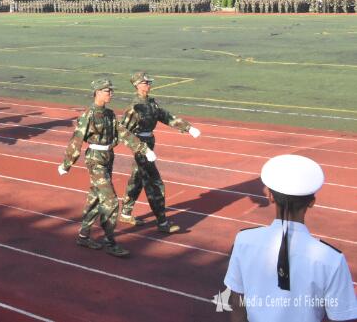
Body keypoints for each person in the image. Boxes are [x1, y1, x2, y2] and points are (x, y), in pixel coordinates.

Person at [223, 154, 357, 321]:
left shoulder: (244, 241)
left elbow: (237, 302)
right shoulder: (331, 259)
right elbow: (341, 316)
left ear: (270, 196)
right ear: (312, 202)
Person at [57, 79, 155, 258]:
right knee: (110, 201)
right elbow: (76, 140)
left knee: (95, 197)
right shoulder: (88, 115)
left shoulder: (109, 114)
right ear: (97, 92)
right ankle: (110, 242)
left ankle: (84, 236)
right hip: (95, 159)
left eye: (111, 91)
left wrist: (144, 149)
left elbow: (123, 133)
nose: (111, 93)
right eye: (107, 91)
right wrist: (66, 164)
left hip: (108, 157)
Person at [118, 71, 201, 233]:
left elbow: (165, 116)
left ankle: (126, 213)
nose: (148, 85)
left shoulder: (151, 103)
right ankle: (162, 222)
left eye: (149, 82)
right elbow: (122, 131)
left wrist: (188, 128)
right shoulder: (134, 107)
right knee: (155, 183)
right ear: (137, 85)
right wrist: (141, 148)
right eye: (145, 83)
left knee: (137, 179)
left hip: (149, 143)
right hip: (141, 147)